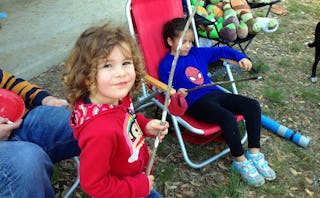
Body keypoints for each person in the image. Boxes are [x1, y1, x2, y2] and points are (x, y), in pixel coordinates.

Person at [159, 18, 276, 187]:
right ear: (170, 41)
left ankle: (254, 154)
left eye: (190, 41)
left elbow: (222, 51)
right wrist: (176, 94)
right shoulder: (166, 65)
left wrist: (242, 57)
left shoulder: (197, 53)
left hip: (214, 93)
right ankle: (240, 161)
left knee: (252, 106)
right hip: (195, 103)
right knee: (228, 118)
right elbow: (165, 93)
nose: (188, 45)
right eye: (183, 42)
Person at [62, 22, 169, 198]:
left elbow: (126, 119)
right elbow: (95, 185)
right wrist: (137, 187)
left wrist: (145, 125)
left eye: (126, 62)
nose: (121, 72)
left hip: (135, 180)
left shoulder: (117, 99)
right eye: (107, 65)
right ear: (86, 76)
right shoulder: (100, 132)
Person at [0, 69, 80, 197]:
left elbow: (8, 82)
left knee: (88, 119)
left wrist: (45, 99)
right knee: (26, 160)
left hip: (20, 121)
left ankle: (117, 184)